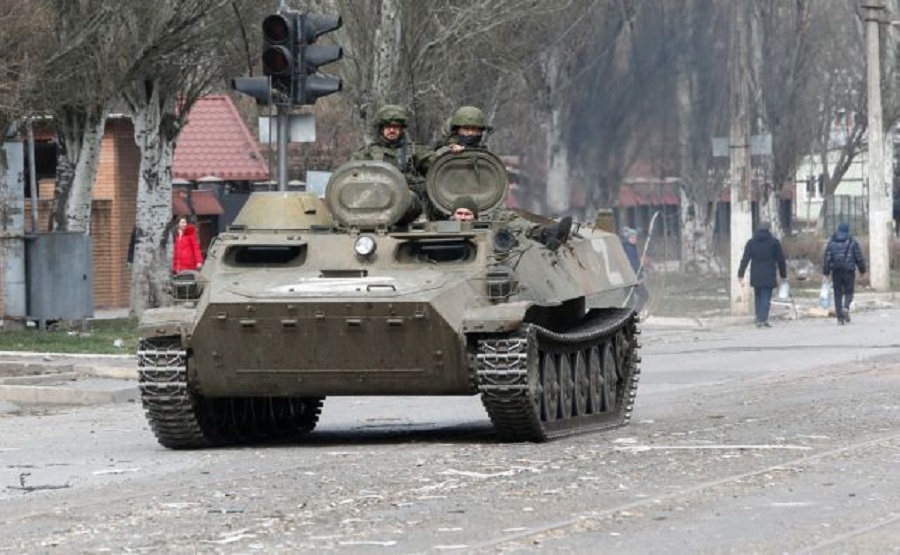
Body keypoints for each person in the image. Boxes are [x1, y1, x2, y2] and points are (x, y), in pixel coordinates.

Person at [437, 106, 573, 249]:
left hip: (480, 207)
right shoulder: (444, 154)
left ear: (481, 132)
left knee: (508, 219)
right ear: (457, 130)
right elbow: (432, 173)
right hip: (447, 208)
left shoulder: (484, 155)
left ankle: (545, 234)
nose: (470, 133)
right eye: (466, 129)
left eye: (475, 129)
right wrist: (450, 151)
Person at [737, 221, 787, 328]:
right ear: (768, 230)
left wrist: (740, 274)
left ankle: (758, 317)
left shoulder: (751, 242)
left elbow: (745, 259)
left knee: (758, 296)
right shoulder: (774, 242)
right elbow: (780, 260)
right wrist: (783, 275)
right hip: (769, 273)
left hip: (756, 273)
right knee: (766, 297)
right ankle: (762, 319)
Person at [823, 222, 866, 324]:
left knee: (837, 294)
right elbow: (858, 257)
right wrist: (862, 270)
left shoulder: (831, 242)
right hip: (849, 271)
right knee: (849, 292)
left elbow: (827, 258)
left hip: (836, 271)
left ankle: (839, 318)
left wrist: (826, 272)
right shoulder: (852, 242)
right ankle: (846, 307)